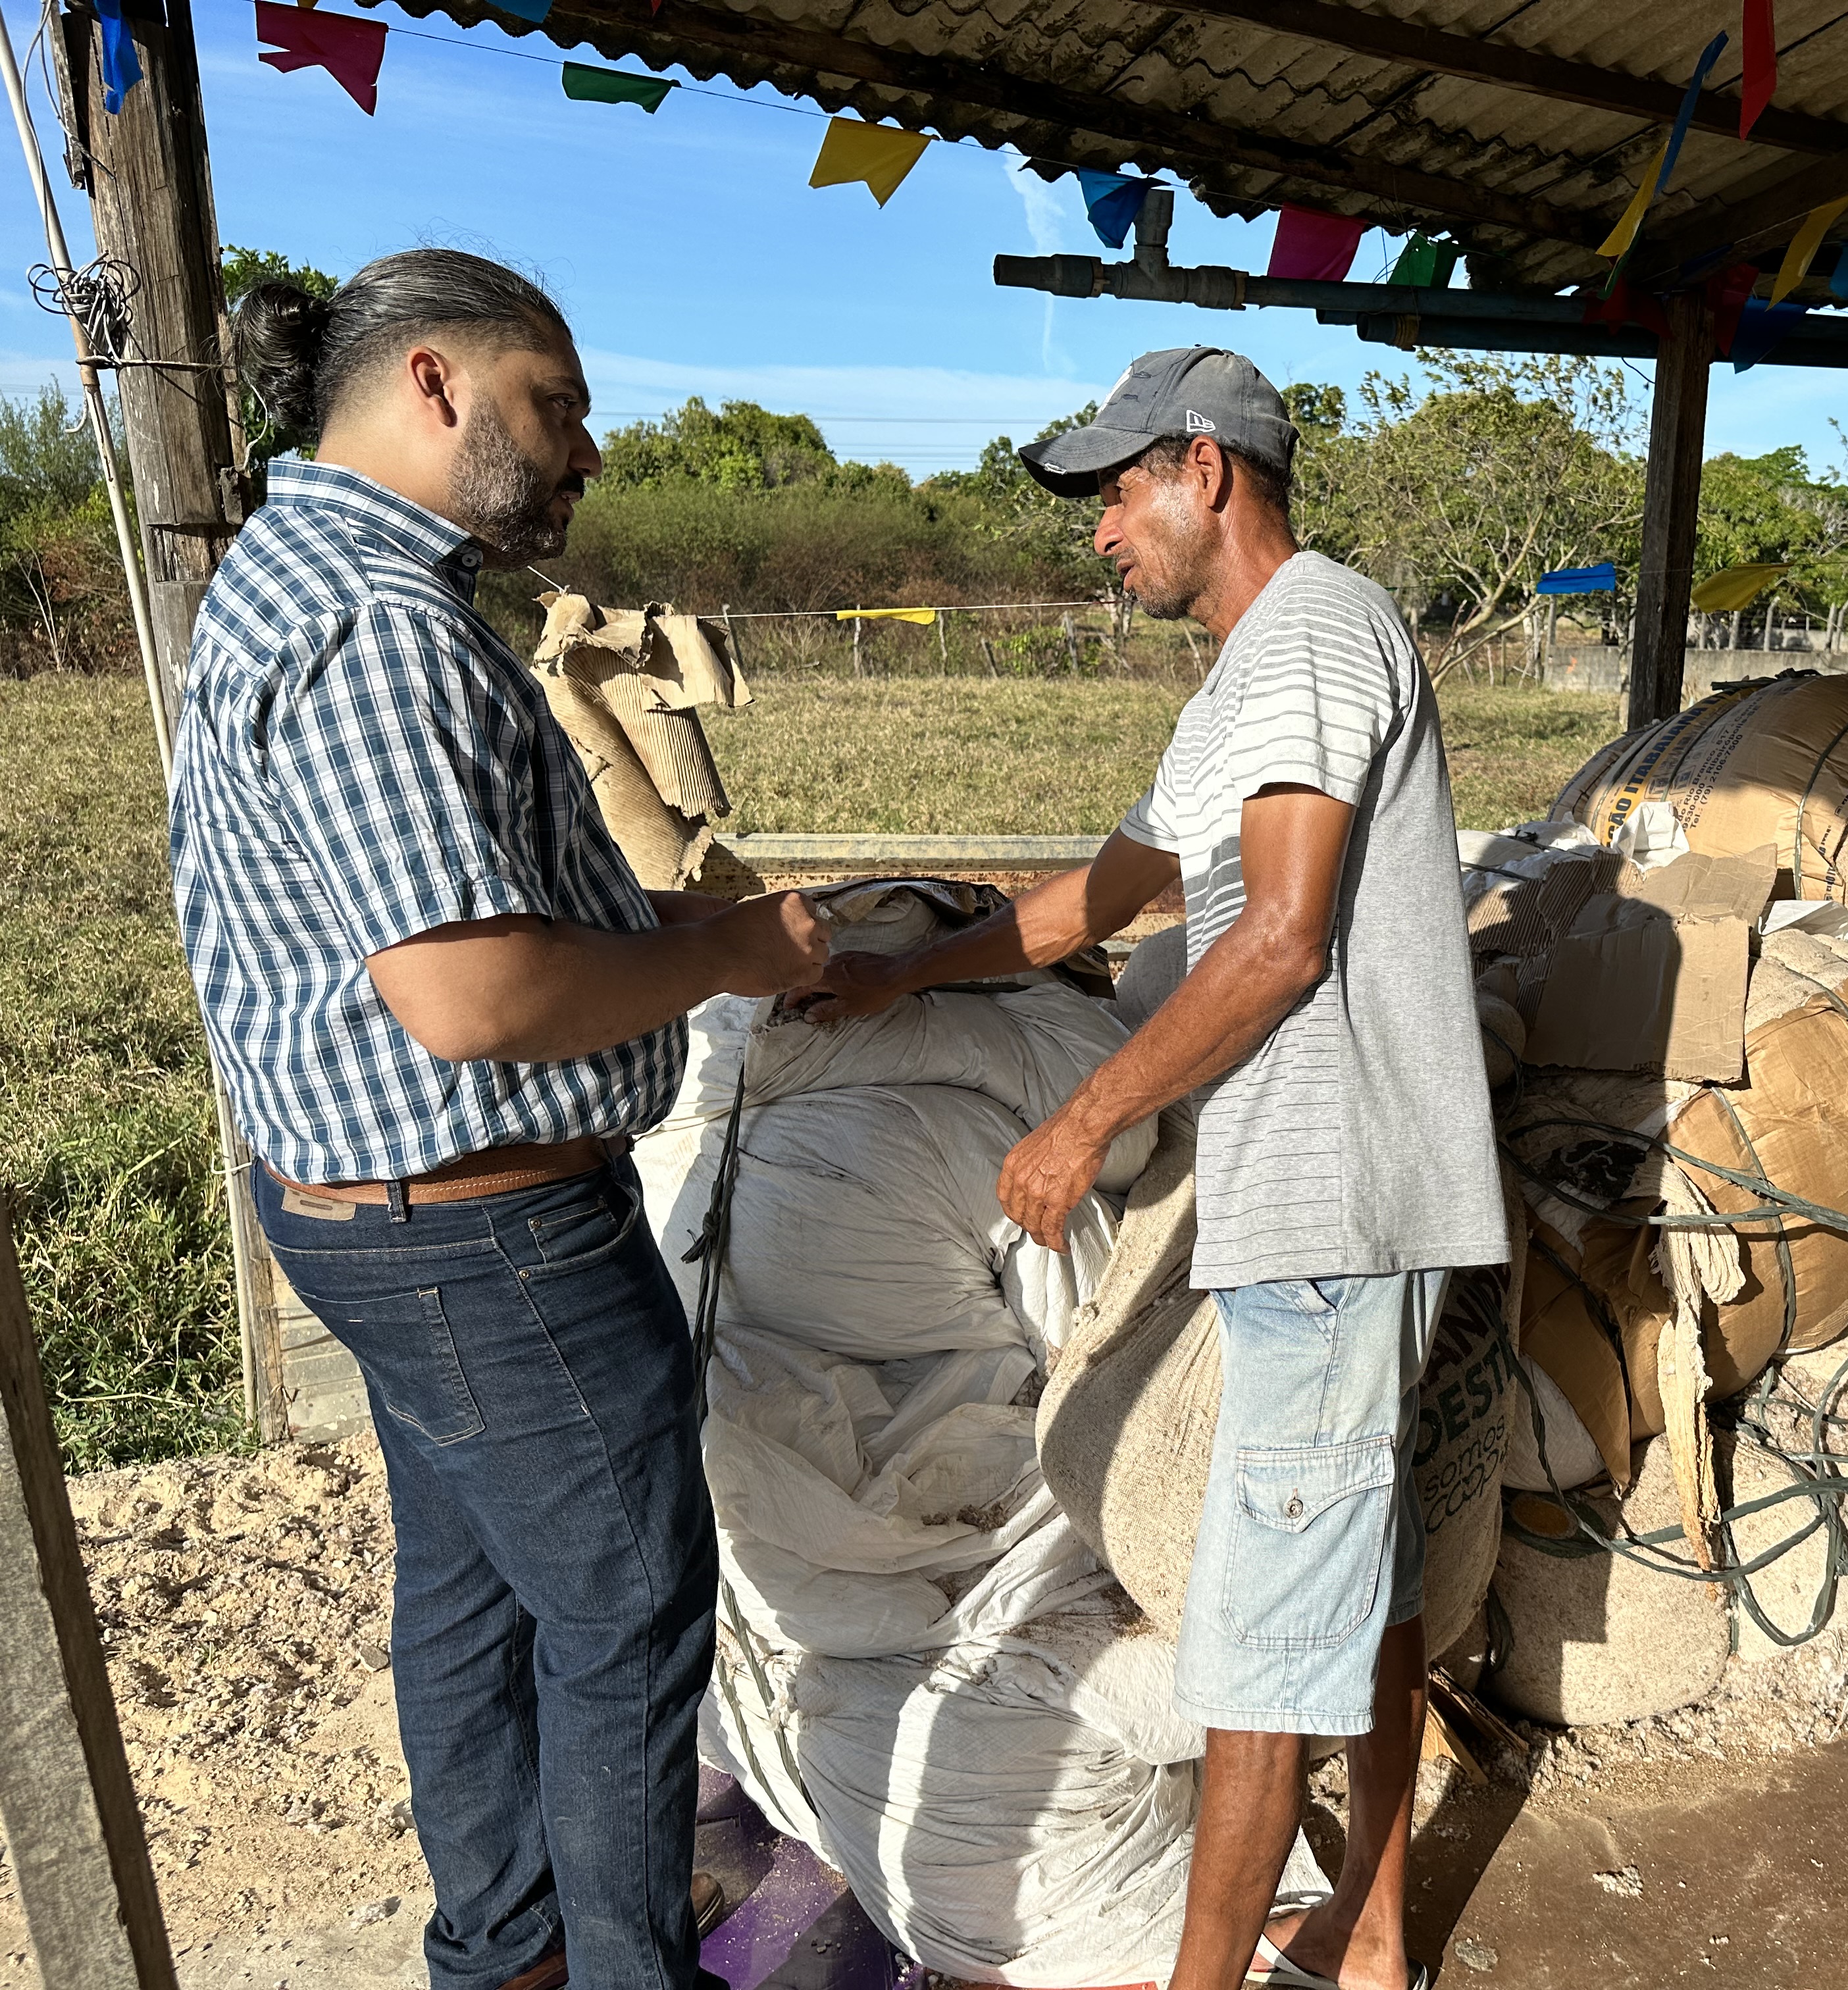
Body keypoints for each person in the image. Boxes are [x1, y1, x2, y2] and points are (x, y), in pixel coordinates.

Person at [793, 346, 1506, 1990]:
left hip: (1333, 1205)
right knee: (1362, 1574)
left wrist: (1083, 1117)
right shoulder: (1242, 682)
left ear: (1208, 472)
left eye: (1117, 490)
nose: (1100, 530)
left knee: (1259, 1643)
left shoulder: (1318, 631)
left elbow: (1275, 938)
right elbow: (1098, 903)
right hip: (1324, 1206)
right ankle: (1375, 1927)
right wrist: (896, 971)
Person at [169, 249, 831, 1990]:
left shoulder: (289, 572)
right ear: (438, 385)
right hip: (492, 1231)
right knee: (621, 1623)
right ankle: (620, 1970)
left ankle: (503, 1957)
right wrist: (739, 952)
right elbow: (471, 997)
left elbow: (478, 910)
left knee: (469, 1595)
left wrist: (676, 930)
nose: (585, 450)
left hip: (369, 1211)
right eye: (559, 405)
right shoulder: (381, 626)